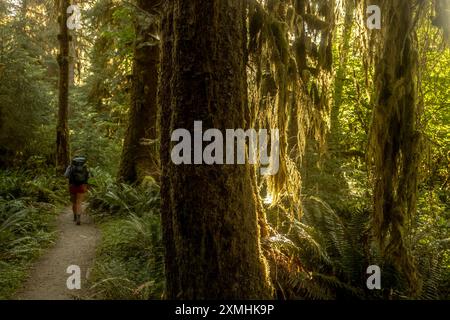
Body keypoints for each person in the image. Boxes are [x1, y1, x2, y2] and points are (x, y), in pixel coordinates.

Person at [64, 156, 89, 225]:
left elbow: (65, 175)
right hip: (82, 186)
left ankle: (75, 216)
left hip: (72, 186)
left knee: (74, 202)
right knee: (79, 202)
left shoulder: (70, 167)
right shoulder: (85, 167)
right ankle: (78, 218)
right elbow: (89, 176)